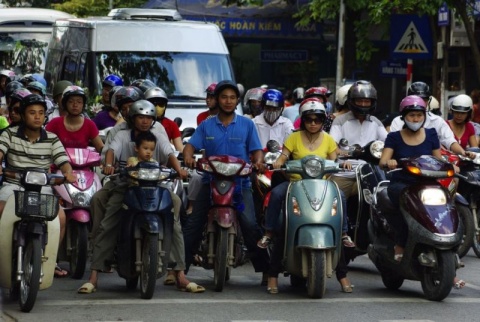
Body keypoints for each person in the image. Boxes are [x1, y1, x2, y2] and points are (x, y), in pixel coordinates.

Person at [78, 100, 203, 294]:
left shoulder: (157, 136)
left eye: (148, 118)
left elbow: (169, 153)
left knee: (174, 212)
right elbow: (111, 150)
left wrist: (179, 170)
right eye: (140, 117)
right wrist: (109, 165)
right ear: (132, 117)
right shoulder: (121, 134)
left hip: (154, 185)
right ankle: (94, 276)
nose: (145, 121)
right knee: (109, 220)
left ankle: (179, 274)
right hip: (125, 185)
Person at [258, 98, 353, 294]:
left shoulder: (327, 139)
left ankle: (344, 234)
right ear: (303, 120)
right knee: (278, 206)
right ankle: (268, 239)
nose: (312, 123)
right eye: (308, 120)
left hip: (322, 186)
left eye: (317, 120)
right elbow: (283, 156)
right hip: (295, 185)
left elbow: (335, 159)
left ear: (322, 121)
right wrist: (278, 161)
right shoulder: (293, 138)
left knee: (341, 199)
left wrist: (343, 163)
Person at [182, 80, 269, 283]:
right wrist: (187, 156)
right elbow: (190, 146)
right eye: (224, 97)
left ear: (237, 100)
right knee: (194, 222)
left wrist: (258, 161)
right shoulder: (206, 125)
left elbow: (256, 150)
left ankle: (266, 269)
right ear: (216, 100)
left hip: (240, 184)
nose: (228, 101)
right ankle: (178, 269)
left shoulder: (247, 125)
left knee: (250, 224)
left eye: (232, 97)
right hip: (211, 182)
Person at [379, 95, 465, 289]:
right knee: (402, 206)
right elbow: (383, 160)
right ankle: (400, 242)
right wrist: (389, 162)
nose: (416, 119)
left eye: (419, 115)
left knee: (449, 209)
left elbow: (438, 159)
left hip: (429, 185)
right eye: (412, 115)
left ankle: (450, 261)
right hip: (402, 185)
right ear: (404, 117)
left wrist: (451, 165)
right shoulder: (394, 137)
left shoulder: (432, 134)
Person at [0, 93, 77, 277]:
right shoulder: (9, 134)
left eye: (41, 113)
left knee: (60, 218)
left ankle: (50, 261)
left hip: (42, 187)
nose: (37, 116)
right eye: (32, 112)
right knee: (1, 210)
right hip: (13, 185)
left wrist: (68, 172)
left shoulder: (52, 138)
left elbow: (63, 161)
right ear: (23, 115)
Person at [329, 80, 388, 221]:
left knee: (382, 200)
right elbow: (332, 147)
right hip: (343, 172)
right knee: (333, 200)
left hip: (369, 172)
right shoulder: (340, 121)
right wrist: (345, 154)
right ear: (351, 101)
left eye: (367, 101)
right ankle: (340, 232)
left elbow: (388, 144)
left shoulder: (376, 122)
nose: (363, 104)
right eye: (359, 101)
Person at [390, 82, 475, 158]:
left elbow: (449, 141)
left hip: (431, 166)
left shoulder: (437, 122)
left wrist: (463, 152)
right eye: (412, 115)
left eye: (424, 100)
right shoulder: (397, 121)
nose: (416, 119)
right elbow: (390, 148)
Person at [45, 86, 104, 153]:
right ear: (65, 104)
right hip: (59, 162)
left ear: (83, 105)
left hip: (84, 163)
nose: (75, 105)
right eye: (71, 101)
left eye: (79, 102)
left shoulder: (89, 125)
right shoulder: (55, 123)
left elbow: (101, 148)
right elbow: (44, 145)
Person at [144, 86, 183, 151]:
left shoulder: (171, 125)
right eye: (154, 104)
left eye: (161, 104)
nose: (158, 107)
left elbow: (180, 148)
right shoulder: (141, 123)